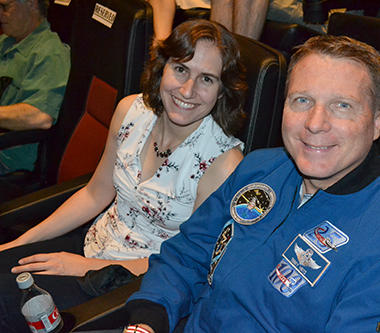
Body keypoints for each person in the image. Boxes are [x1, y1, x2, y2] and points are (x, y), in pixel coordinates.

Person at [125, 35, 380, 332]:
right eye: (302, 101)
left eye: (342, 106)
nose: (315, 123)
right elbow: (188, 254)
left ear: (377, 122)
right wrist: (147, 320)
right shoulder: (260, 168)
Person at [0, 19, 246, 332]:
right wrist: (19, 242)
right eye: (181, 69)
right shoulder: (132, 112)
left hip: (136, 283)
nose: (188, 90)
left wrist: (87, 266)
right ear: (162, 67)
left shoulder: (224, 164)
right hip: (92, 243)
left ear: (222, 91)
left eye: (207, 79)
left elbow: (189, 265)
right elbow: (95, 194)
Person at [0, 0, 70, 174]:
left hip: (8, 156)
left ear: (31, 4)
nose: (0, 13)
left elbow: (41, 116)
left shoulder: (50, 53)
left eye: (5, 6)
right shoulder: (6, 41)